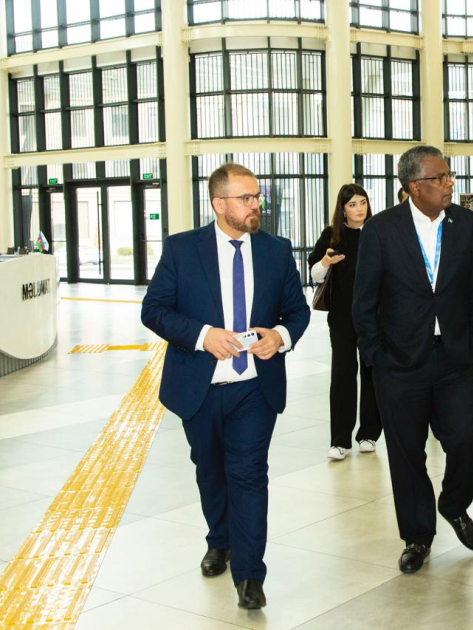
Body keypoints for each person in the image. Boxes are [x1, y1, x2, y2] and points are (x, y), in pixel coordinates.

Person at [141, 163, 310, 609]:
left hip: (254, 386)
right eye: (246, 198)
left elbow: (298, 311)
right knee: (210, 469)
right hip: (199, 386)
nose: (256, 206)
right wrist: (203, 336)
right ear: (219, 204)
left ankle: (250, 576)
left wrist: (280, 336)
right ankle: (220, 538)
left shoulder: (276, 250)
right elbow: (154, 310)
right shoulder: (182, 249)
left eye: (257, 197)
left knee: (249, 474)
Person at [353, 145, 473, 574]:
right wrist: (377, 356)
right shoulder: (381, 230)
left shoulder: (465, 223)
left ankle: (454, 504)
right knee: (407, 453)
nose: (449, 184)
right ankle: (417, 536)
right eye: (439, 178)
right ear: (414, 186)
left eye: (449, 176)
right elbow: (364, 301)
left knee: (466, 438)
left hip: (455, 358)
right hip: (399, 363)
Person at [308, 184, 382, 461]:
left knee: (373, 374)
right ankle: (340, 440)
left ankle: (369, 434)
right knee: (342, 375)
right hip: (341, 318)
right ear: (343, 209)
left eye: (363, 202)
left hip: (375, 318)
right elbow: (314, 274)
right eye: (352, 204)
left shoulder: (378, 231)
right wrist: (327, 262)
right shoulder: (332, 235)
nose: (359, 208)